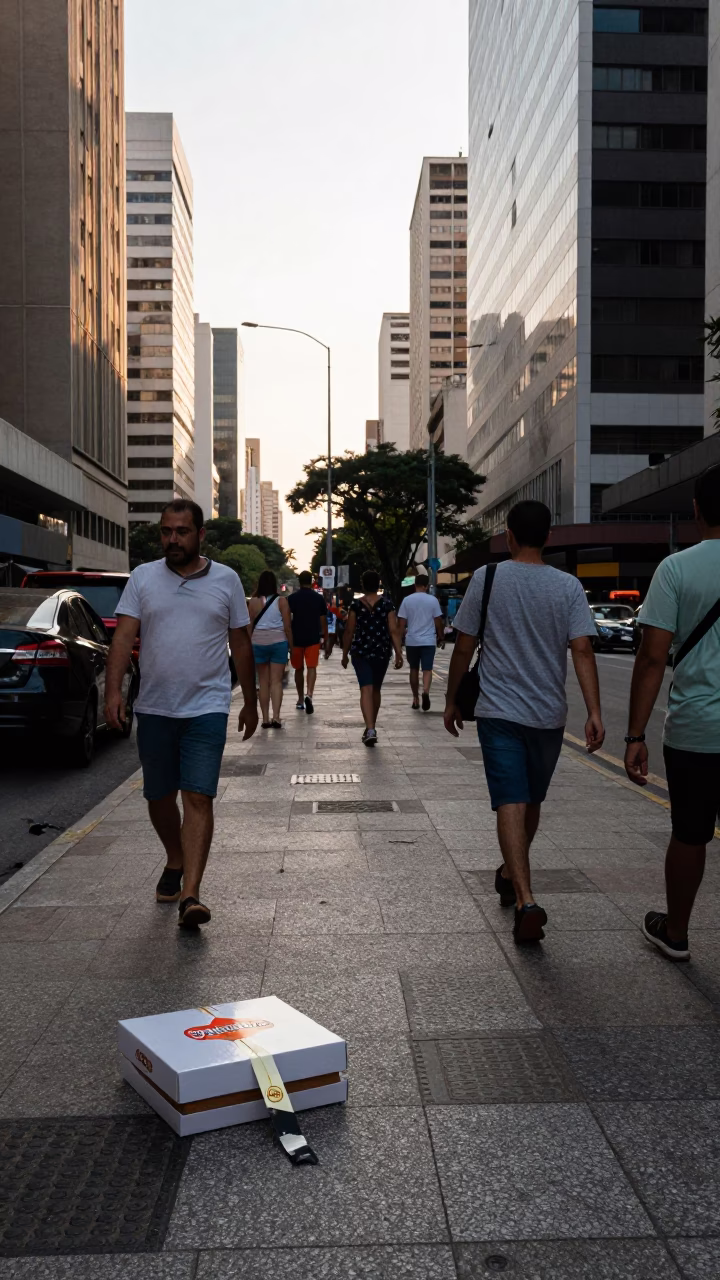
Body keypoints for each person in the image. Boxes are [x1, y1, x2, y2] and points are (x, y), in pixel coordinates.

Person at [443, 500, 604, 943]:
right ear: (548, 537)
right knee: (527, 800)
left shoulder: (487, 577)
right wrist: (594, 711)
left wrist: (452, 699)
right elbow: (583, 650)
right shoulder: (568, 586)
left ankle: (517, 883)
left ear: (509, 536)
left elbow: (463, 646)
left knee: (514, 801)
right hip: (548, 716)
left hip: (498, 711)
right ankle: (523, 893)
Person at [104, 499, 258, 929]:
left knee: (197, 795)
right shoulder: (143, 578)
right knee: (158, 796)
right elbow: (123, 639)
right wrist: (113, 691)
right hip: (154, 706)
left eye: (182, 532)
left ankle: (190, 893)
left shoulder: (226, 580)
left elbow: (241, 643)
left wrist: (249, 699)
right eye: (166, 532)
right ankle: (174, 856)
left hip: (207, 706)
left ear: (200, 535)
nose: (173, 539)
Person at [624, 462, 720, 961]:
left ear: (697, 510)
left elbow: (652, 656)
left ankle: (676, 932)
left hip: (696, 731)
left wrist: (634, 735)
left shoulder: (676, 569)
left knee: (690, 832)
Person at [341, 570, 403, 746]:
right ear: (379, 584)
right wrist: (398, 652)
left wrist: (345, 654)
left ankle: (370, 728)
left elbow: (349, 631)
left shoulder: (355, 605)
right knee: (375, 689)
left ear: (363, 585)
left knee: (365, 688)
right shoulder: (387, 605)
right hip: (382, 652)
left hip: (361, 652)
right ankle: (371, 727)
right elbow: (393, 630)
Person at [249, 570, 294, 729]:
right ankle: (276, 717)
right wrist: (292, 647)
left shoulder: (253, 602)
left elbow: (249, 626)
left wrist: (249, 646)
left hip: (258, 643)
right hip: (278, 643)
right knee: (276, 682)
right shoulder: (282, 601)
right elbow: (287, 627)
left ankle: (265, 719)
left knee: (262, 682)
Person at [397, 573, 445, 710]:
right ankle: (425, 692)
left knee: (413, 669)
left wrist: (399, 641)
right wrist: (441, 636)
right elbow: (438, 621)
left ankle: (415, 698)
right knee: (427, 669)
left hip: (412, 641)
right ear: (427, 585)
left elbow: (401, 623)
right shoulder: (433, 600)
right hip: (429, 640)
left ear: (415, 585)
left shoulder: (407, 600)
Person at [288, 570, 328, 714]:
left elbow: (287, 619)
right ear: (311, 581)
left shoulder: (291, 599)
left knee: (298, 669)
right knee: (312, 667)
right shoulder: (318, 598)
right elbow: (323, 619)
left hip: (296, 638)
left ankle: (300, 699)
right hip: (313, 637)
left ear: (299, 581)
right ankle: (309, 695)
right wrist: (326, 637)